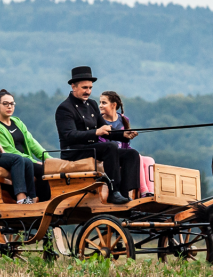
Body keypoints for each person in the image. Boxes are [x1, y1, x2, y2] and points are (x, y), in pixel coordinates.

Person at [55, 66, 140, 205]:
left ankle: (125, 194)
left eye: (90, 87)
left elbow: (107, 130)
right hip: (74, 151)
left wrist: (124, 134)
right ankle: (113, 192)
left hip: (92, 149)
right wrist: (96, 132)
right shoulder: (65, 108)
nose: (88, 91)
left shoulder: (92, 104)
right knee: (109, 147)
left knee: (132, 154)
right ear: (73, 86)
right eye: (84, 88)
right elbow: (69, 135)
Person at [99, 91, 155, 198]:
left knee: (149, 160)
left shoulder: (123, 119)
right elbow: (101, 142)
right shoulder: (100, 122)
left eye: (104, 103)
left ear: (113, 105)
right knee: (137, 156)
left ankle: (150, 192)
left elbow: (125, 143)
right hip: (110, 155)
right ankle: (143, 192)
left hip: (123, 153)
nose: (100, 105)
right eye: (100, 102)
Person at [0, 89, 52, 201]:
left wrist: (48, 158)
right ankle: (44, 202)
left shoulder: (17, 122)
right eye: (5, 104)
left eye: (12, 103)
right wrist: (35, 161)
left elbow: (32, 142)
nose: (9, 106)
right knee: (41, 169)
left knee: (49, 167)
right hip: (15, 161)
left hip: (26, 161)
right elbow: (10, 151)